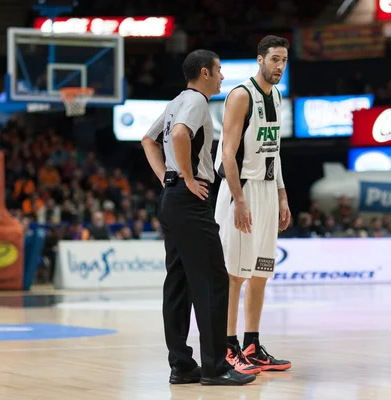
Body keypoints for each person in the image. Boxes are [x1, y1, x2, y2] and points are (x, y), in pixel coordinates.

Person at [141, 49, 255, 386]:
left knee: (178, 283)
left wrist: (168, 177)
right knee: (213, 281)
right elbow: (178, 135)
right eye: (219, 70)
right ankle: (215, 367)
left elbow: (148, 140)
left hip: (172, 198)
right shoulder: (196, 101)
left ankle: (182, 365)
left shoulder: (176, 101)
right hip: (190, 198)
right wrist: (188, 178)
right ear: (204, 72)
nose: (222, 76)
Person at [213, 35, 292, 375]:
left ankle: (251, 344)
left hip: (266, 191)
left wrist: (282, 194)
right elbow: (228, 153)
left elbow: (273, 150)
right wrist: (240, 200)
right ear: (259, 59)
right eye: (275, 59)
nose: (280, 66)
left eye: (284, 60)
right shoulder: (241, 95)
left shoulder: (277, 96)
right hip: (240, 191)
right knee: (235, 274)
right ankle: (227, 347)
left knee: (260, 272)